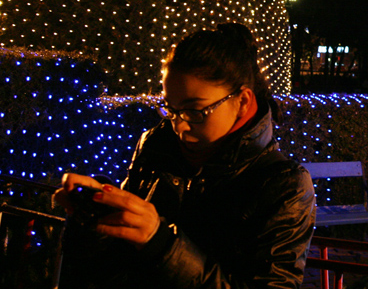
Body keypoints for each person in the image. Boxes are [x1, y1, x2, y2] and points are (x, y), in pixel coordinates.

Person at [53, 23, 315, 288]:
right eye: (171, 109)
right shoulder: (156, 145)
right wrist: (96, 220)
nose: (179, 126)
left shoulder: (284, 184)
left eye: (195, 111)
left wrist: (162, 245)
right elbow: (108, 269)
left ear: (243, 101)